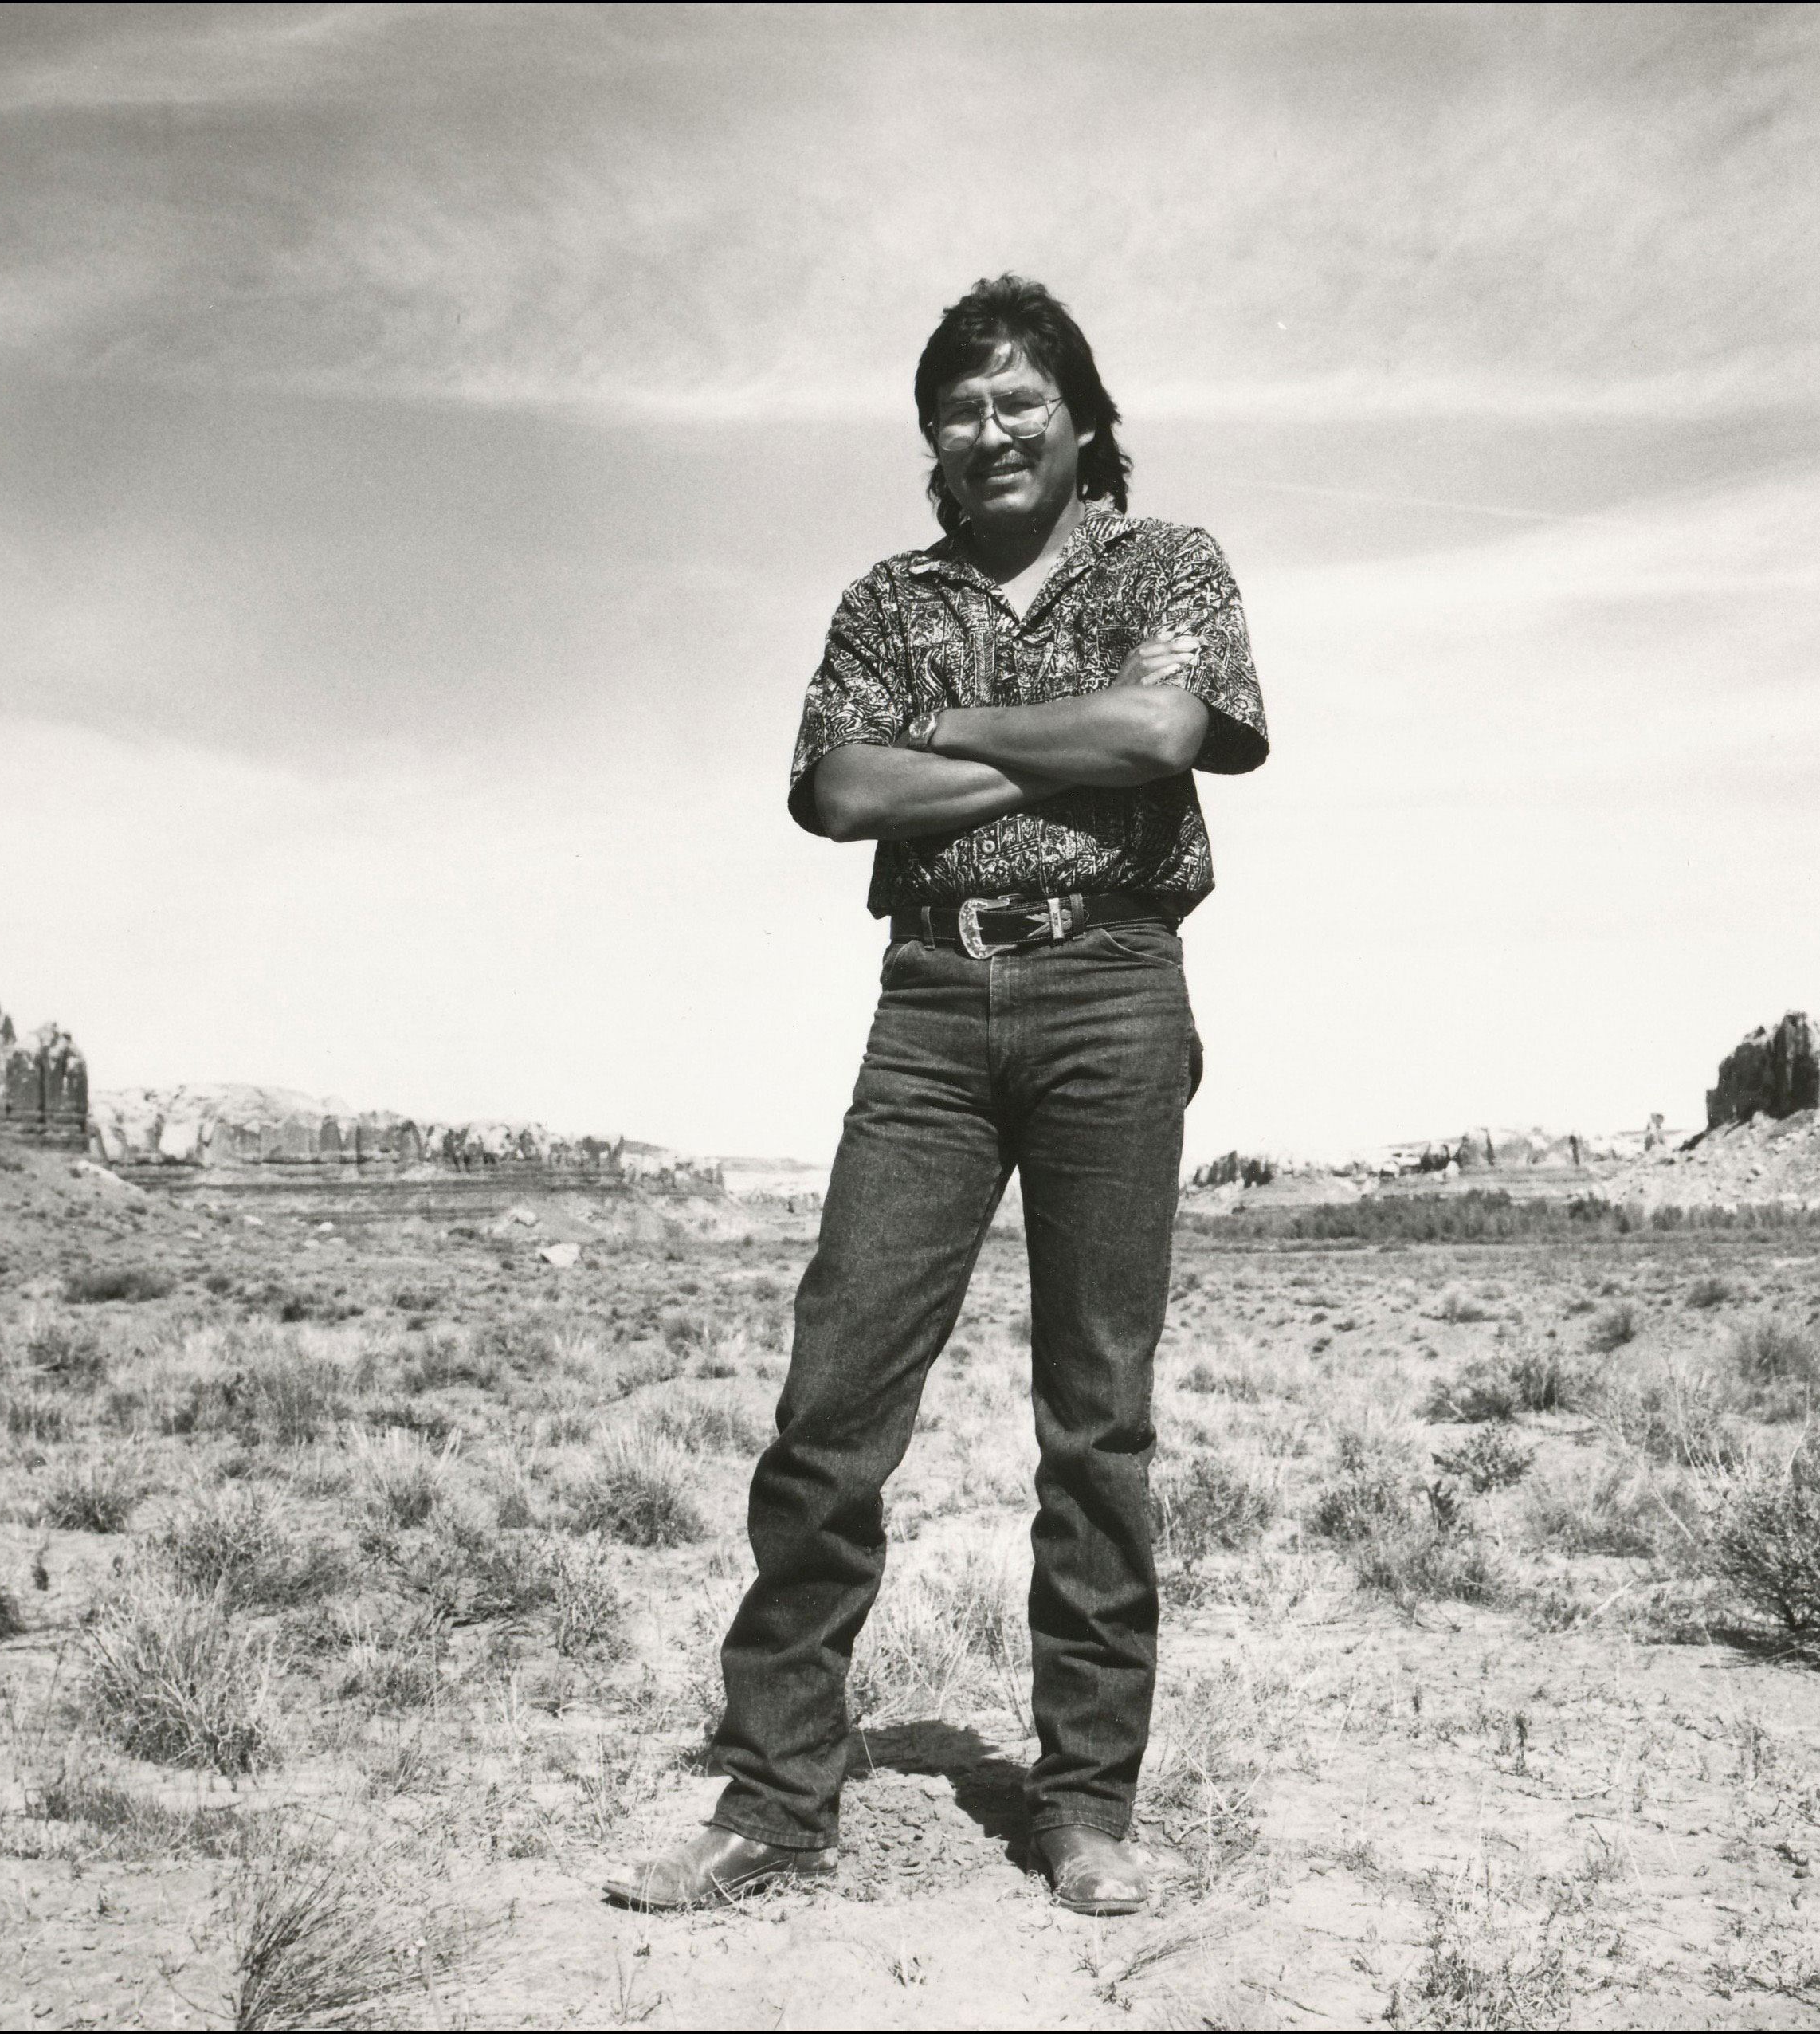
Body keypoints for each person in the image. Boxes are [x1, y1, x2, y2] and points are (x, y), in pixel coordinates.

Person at [606, 274, 1268, 1918]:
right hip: (927, 1002)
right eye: (958, 406)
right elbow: (838, 787)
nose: (988, 427)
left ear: (1078, 411)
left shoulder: (1164, 565)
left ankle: (1084, 1802)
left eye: (1017, 397)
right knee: (831, 1404)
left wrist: (962, 732)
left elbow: (1167, 726)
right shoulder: (883, 598)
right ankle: (774, 1799)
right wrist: (1071, 745)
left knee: (1092, 1420)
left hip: (1111, 989)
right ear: (932, 437)